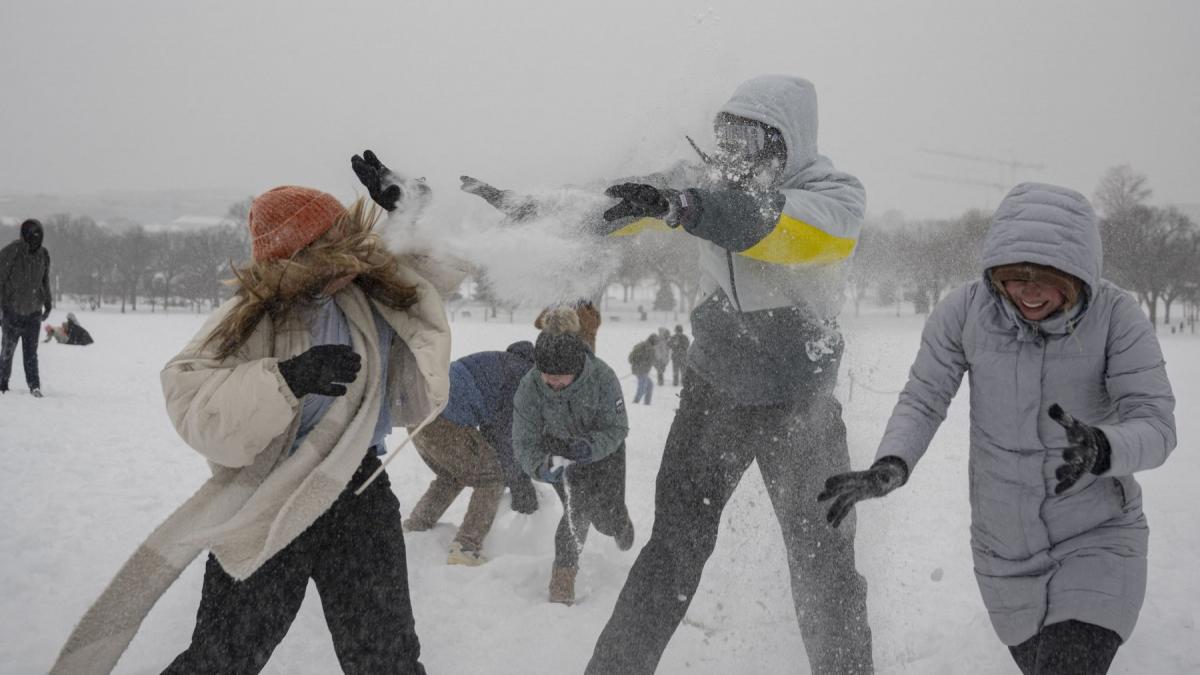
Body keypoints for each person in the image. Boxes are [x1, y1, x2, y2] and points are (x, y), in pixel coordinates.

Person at [464, 75, 871, 673]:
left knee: (823, 563)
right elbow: (613, 204)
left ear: (791, 140)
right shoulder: (703, 185)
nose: (734, 153)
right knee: (673, 553)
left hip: (799, 409)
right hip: (715, 399)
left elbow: (779, 231)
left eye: (752, 138)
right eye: (725, 136)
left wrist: (687, 207)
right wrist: (533, 210)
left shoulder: (833, 195)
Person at [52, 179, 466, 674]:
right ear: (298, 256)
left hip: (358, 490)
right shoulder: (248, 318)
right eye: (333, 244)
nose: (350, 254)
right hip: (270, 496)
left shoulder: (375, 289)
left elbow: (438, 277)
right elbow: (192, 401)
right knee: (223, 660)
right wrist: (287, 380)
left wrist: (410, 216)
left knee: (387, 659)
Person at [818, 183, 1176, 675]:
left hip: (1098, 540)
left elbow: (1156, 425)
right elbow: (924, 397)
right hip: (1003, 553)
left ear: (1076, 275)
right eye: (1014, 276)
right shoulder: (965, 313)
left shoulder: (1117, 318)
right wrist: (892, 463)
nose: (1028, 291)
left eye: (1045, 278)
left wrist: (1103, 447)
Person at [512, 308, 635, 605]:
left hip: (604, 453)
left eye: (560, 378)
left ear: (577, 368)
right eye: (547, 377)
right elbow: (523, 441)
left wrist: (590, 448)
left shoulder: (603, 378)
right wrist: (542, 467)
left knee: (604, 518)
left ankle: (620, 523)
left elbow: (617, 427)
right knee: (576, 510)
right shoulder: (530, 387)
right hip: (560, 455)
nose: (552, 383)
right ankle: (562, 584)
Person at [403, 340, 541, 566]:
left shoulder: (497, 360)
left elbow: (493, 429)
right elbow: (504, 435)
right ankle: (467, 546)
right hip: (443, 419)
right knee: (492, 476)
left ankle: (417, 525)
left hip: (416, 413)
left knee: (454, 473)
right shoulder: (522, 376)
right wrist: (519, 483)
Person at [0, 218, 52, 397]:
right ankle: (2, 384)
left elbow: (44, 281)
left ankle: (34, 386)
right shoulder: (11, 252)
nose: (35, 238)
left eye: (38, 235)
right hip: (12, 311)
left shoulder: (43, 255)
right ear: (24, 235)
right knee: (7, 352)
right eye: (32, 235)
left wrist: (48, 302)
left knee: (31, 354)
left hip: (33, 313)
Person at [534, 298, 601, 351]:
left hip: (570, 352)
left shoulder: (577, 311)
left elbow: (538, 323)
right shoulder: (591, 315)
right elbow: (537, 324)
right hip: (584, 352)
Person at [627, 334, 656, 405]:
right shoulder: (647, 348)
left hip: (641, 370)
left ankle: (647, 403)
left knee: (650, 385)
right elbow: (632, 358)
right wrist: (640, 365)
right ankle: (635, 403)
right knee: (642, 388)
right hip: (641, 370)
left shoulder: (643, 346)